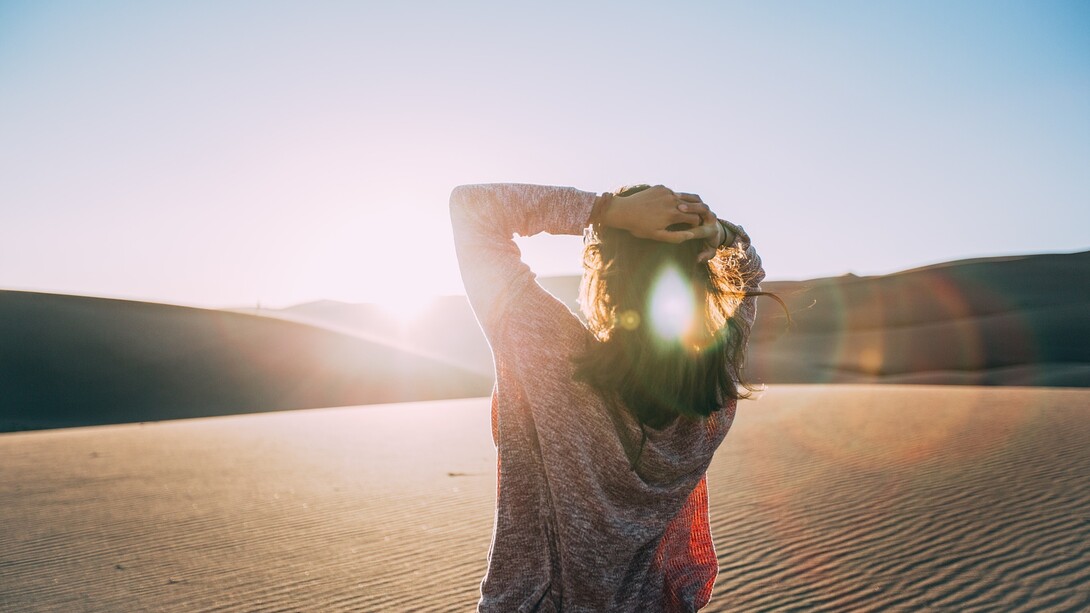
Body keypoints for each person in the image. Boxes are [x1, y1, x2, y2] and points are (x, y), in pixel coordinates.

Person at [449, 182, 766, 612]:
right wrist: (720, 234)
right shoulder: (712, 392)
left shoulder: (548, 351)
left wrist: (606, 210)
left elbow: (472, 207)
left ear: (604, 272)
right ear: (702, 276)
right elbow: (748, 270)